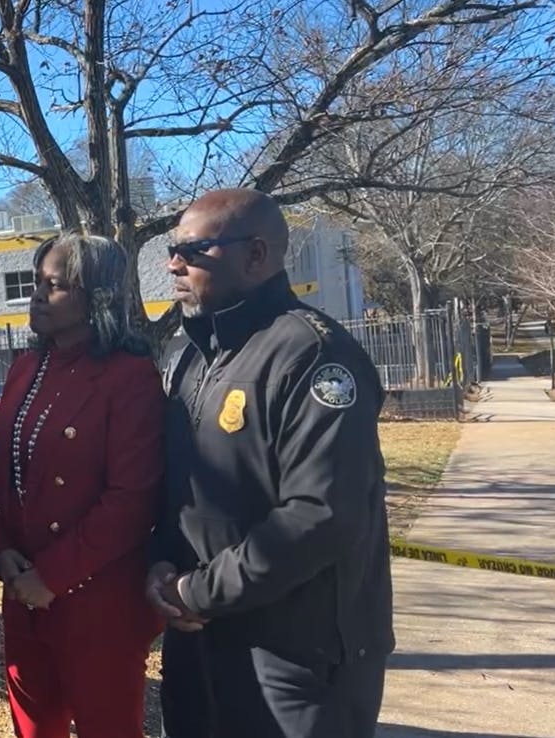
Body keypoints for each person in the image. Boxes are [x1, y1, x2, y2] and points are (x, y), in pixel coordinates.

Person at [149, 188, 395, 738]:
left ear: (256, 255)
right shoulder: (192, 358)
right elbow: (180, 490)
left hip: (297, 653)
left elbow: (320, 514)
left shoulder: (313, 354)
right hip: (199, 638)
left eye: (193, 251)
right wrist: (160, 564)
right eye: (172, 249)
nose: (174, 265)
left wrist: (199, 591)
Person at [0, 232, 164, 738]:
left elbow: (131, 500)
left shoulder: (130, 376)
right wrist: (1, 551)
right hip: (22, 590)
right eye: (36, 282)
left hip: (97, 600)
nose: (37, 295)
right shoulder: (24, 369)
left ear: (97, 296)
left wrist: (53, 577)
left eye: (54, 286)